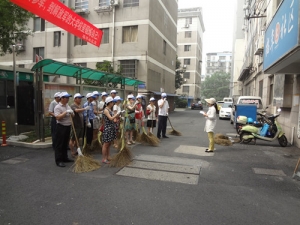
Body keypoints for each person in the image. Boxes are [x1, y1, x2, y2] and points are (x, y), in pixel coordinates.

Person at [53, 92, 74, 167]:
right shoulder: (57, 107)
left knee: (65, 143)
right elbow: (58, 117)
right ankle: (58, 160)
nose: (68, 99)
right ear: (62, 98)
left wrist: (71, 113)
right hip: (61, 127)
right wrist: (66, 112)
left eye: (68, 98)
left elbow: (72, 115)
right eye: (66, 98)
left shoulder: (67, 105)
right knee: (59, 144)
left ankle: (65, 158)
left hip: (68, 126)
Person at [102, 96, 121, 164]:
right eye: (112, 102)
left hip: (111, 127)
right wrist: (117, 114)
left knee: (109, 143)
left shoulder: (110, 110)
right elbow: (110, 118)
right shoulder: (106, 110)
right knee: (106, 144)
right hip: (108, 127)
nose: (113, 103)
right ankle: (104, 158)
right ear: (109, 103)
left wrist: (118, 116)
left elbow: (114, 119)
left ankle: (108, 156)